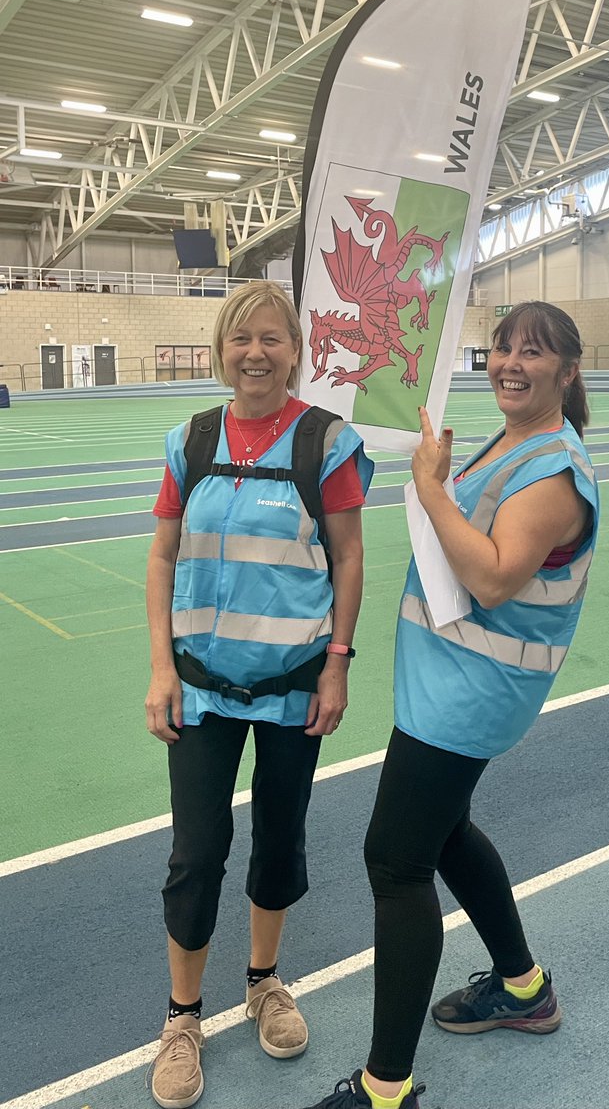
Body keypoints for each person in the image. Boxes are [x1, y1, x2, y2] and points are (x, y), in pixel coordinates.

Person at [301, 300, 599, 1109]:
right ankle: (523, 987)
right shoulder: (512, 439)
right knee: (448, 833)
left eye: (531, 353)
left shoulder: (552, 469)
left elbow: (497, 576)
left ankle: (384, 1088)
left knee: (396, 862)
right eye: (502, 347)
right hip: (449, 683)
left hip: (471, 695)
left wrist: (431, 489)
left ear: (566, 372)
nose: (509, 362)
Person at [145, 280, 373, 1109]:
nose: (255, 353)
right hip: (200, 689)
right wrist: (163, 668)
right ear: (221, 348)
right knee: (196, 854)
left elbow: (348, 557)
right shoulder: (192, 440)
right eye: (242, 338)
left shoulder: (327, 442)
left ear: (294, 351)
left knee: (280, 842)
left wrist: (338, 662)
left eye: (272, 338)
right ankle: (181, 1019)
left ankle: (266, 982)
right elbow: (164, 557)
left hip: (292, 690)